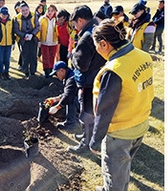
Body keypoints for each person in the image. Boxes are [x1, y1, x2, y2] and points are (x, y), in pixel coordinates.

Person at [88, 18, 154, 191]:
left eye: (96, 45)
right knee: (122, 167)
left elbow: (105, 110)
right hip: (140, 124)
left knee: (115, 172)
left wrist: (95, 140)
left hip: (120, 133)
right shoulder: (143, 56)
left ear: (103, 44)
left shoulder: (114, 70)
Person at [68, 5, 108, 153]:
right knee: (92, 111)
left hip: (88, 80)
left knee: (86, 113)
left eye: (75, 24)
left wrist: (73, 55)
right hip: (98, 77)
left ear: (80, 20)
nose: (75, 27)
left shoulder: (86, 37)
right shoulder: (98, 29)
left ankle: (86, 144)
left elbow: (82, 65)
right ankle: (87, 135)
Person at [45, 61, 78, 129]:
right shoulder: (70, 75)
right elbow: (69, 92)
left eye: (56, 73)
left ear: (62, 70)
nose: (56, 76)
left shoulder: (71, 79)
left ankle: (71, 124)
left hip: (87, 101)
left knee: (71, 100)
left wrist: (56, 107)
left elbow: (68, 96)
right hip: (84, 99)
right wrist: (55, 99)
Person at [14, 2, 41, 79]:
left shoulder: (34, 15)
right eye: (23, 10)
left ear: (29, 9)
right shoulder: (17, 18)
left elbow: (37, 26)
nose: (25, 12)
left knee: (33, 55)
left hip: (33, 39)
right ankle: (26, 72)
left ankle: (33, 72)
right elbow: (16, 30)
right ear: (20, 11)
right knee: (25, 56)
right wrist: (24, 35)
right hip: (23, 40)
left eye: (26, 10)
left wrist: (32, 34)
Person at [38, 5, 60, 77]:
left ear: (55, 12)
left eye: (52, 11)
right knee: (45, 57)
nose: (50, 12)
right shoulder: (42, 19)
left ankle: (51, 70)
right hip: (44, 41)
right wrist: (39, 40)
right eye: (49, 10)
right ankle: (46, 71)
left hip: (54, 42)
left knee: (52, 56)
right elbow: (39, 30)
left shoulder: (56, 19)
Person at [0, 7, 15, 80]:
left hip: (8, 44)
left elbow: (13, 32)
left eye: (6, 14)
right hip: (0, 44)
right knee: (0, 60)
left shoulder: (10, 21)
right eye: (3, 14)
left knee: (7, 59)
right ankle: (1, 72)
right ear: (0, 14)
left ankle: (6, 72)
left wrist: (13, 42)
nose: (4, 16)